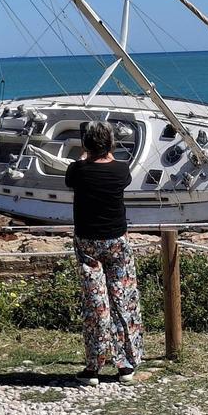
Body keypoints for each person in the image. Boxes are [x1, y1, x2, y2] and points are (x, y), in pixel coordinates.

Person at [64, 120, 143, 385]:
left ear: (86, 145)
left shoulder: (77, 171)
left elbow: (73, 174)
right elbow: (116, 169)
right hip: (116, 241)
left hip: (87, 242)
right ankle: (126, 365)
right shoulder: (121, 170)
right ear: (110, 144)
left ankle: (93, 366)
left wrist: (85, 154)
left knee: (96, 304)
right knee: (122, 299)